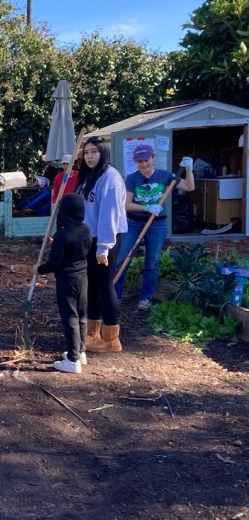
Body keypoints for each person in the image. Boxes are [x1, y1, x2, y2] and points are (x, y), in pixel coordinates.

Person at [114, 150, 195, 311]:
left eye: (146, 160)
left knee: (151, 263)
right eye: (139, 161)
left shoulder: (165, 176)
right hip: (134, 223)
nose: (143, 164)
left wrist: (189, 170)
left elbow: (189, 186)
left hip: (157, 225)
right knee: (122, 259)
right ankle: (115, 296)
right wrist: (146, 207)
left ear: (153, 158)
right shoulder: (132, 179)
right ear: (135, 162)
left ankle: (146, 298)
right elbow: (126, 205)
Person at [76, 136, 128, 354]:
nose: (89, 156)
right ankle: (92, 332)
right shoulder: (90, 177)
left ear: (103, 152)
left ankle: (111, 339)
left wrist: (104, 247)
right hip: (90, 238)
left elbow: (110, 215)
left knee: (105, 287)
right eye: (86, 152)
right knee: (93, 287)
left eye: (94, 152)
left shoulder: (110, 178)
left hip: (105, 238)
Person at [35, 193, 91, 373]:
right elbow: (76, 246)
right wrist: (56, 242)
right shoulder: (85, 230)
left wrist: (38, 269)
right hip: (83, 277)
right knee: (81, 315)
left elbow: (54, 263)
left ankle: (72, 360)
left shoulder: (62, 234)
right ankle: (80, 352)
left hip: (67, 280)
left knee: (70, 317)